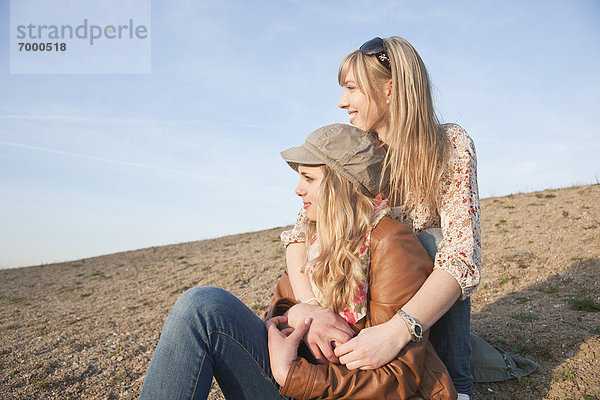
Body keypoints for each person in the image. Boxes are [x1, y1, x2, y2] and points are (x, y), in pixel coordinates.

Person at [139, 123, 457, 399]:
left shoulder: (391, 243)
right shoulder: (315, 241)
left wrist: (291, 374)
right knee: (203, 307)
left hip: (332, 389)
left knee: (202, 305)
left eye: (309, 178)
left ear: (341, 183)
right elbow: (276, 312)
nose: (298, 189)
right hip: (294, 384)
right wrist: (300, 312)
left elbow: (400, 377)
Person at [282, 36, 480, 399]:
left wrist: (398, 332)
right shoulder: (355, 151)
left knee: (431, 243)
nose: (342, 102)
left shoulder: (449, 145)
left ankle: (457, 382)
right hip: (369, 304)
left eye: (352, 88)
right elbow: (299, 237)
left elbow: (461, 257)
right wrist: (312, 310)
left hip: (413, 310)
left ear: (390, 88)